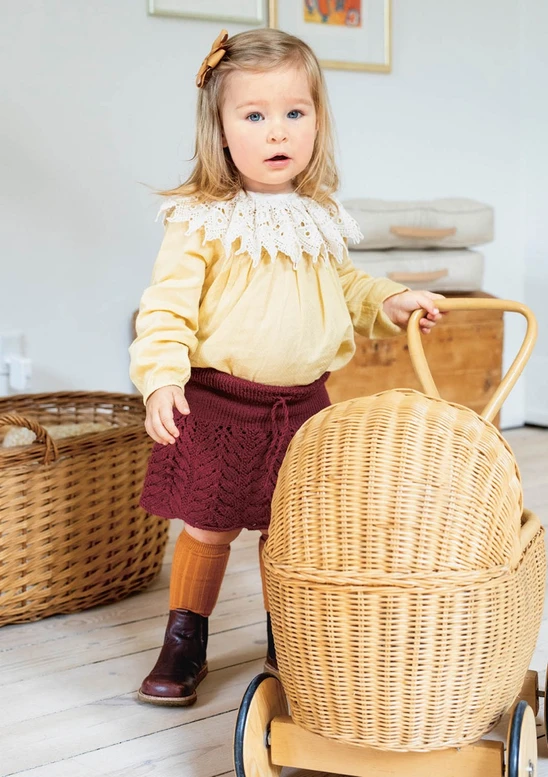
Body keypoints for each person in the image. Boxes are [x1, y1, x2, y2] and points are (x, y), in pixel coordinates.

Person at [129, 27, 444, 707]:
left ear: (317, 122)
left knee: (292, 528)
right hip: (219, 404)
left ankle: (289, 637)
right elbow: (166, 308)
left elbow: (346, 285)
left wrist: (389, 299)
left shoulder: (318, 215)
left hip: (302, 410)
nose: (277, 131)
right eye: (254, 115)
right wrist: (161, 378)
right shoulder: (203, 219)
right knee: (210, 523)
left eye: (294, 112)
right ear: (220, 132)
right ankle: (185, 639)